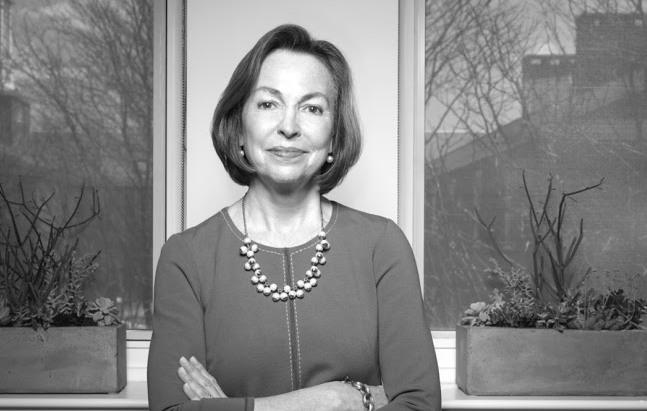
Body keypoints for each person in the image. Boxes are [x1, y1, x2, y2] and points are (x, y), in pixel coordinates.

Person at [147, 24, 441, 411]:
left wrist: (232, 407)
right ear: (238, 127)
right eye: (268, 104)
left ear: (334, 137)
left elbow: (418, 403)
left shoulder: (382, 246)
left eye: (312, 108)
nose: (289, 127)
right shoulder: (185, 258)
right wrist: (332, 400)